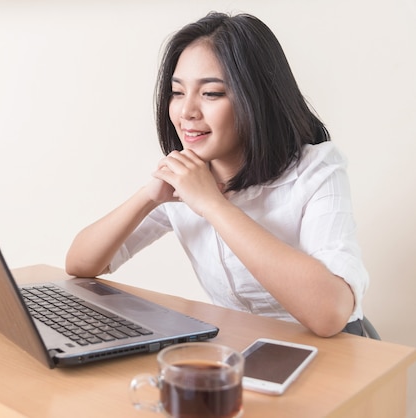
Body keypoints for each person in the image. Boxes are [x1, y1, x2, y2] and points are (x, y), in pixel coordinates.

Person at [65, 11, 369, 337]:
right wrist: (148, 196)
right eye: (178, 92)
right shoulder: (187, 175)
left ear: (257, 98)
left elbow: (330, 314)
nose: (186, 112)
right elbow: (80, 264)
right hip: (245, 348)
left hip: (334, 353)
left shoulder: (317, 170)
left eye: (211, 93)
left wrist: (213, 204)